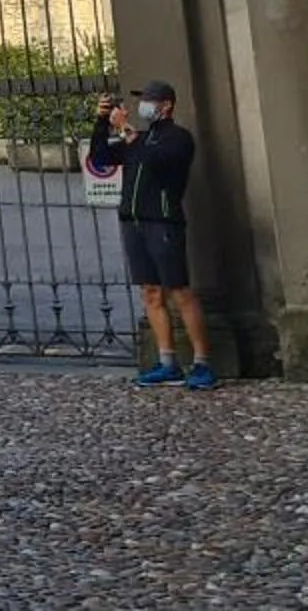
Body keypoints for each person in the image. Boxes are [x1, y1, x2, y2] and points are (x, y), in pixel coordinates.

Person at [91, 79, 215, 390]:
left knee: (179, 291)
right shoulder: (140, 139)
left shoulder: (178, 139)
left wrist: (126, 131)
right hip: (133, 221)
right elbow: (101, 158)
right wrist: (101, 123)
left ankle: (202, 362)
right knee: (150, 291)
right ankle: (167, 361)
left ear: (166, 105)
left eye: (149, 100)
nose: (143, 104)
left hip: (162, 222)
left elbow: (154, 161)